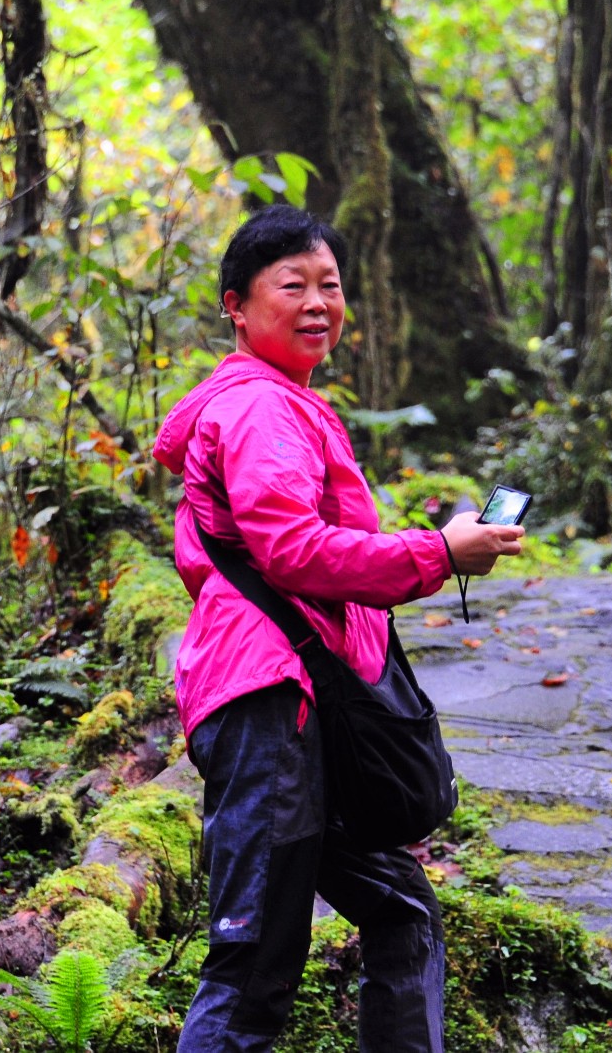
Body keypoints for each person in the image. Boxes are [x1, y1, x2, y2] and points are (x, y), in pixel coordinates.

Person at [151, 205, 526, 1053]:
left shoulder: (286, 404)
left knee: (401, 912)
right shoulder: (257, 409)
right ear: (236, 307)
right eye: (293, 284)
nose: (318, 300)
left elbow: (315, 549)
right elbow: (289, 550)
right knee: (251, 965)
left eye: (330, 283)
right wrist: (438, 551)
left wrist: (440, 544)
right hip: (267, 706)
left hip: (309, 704)